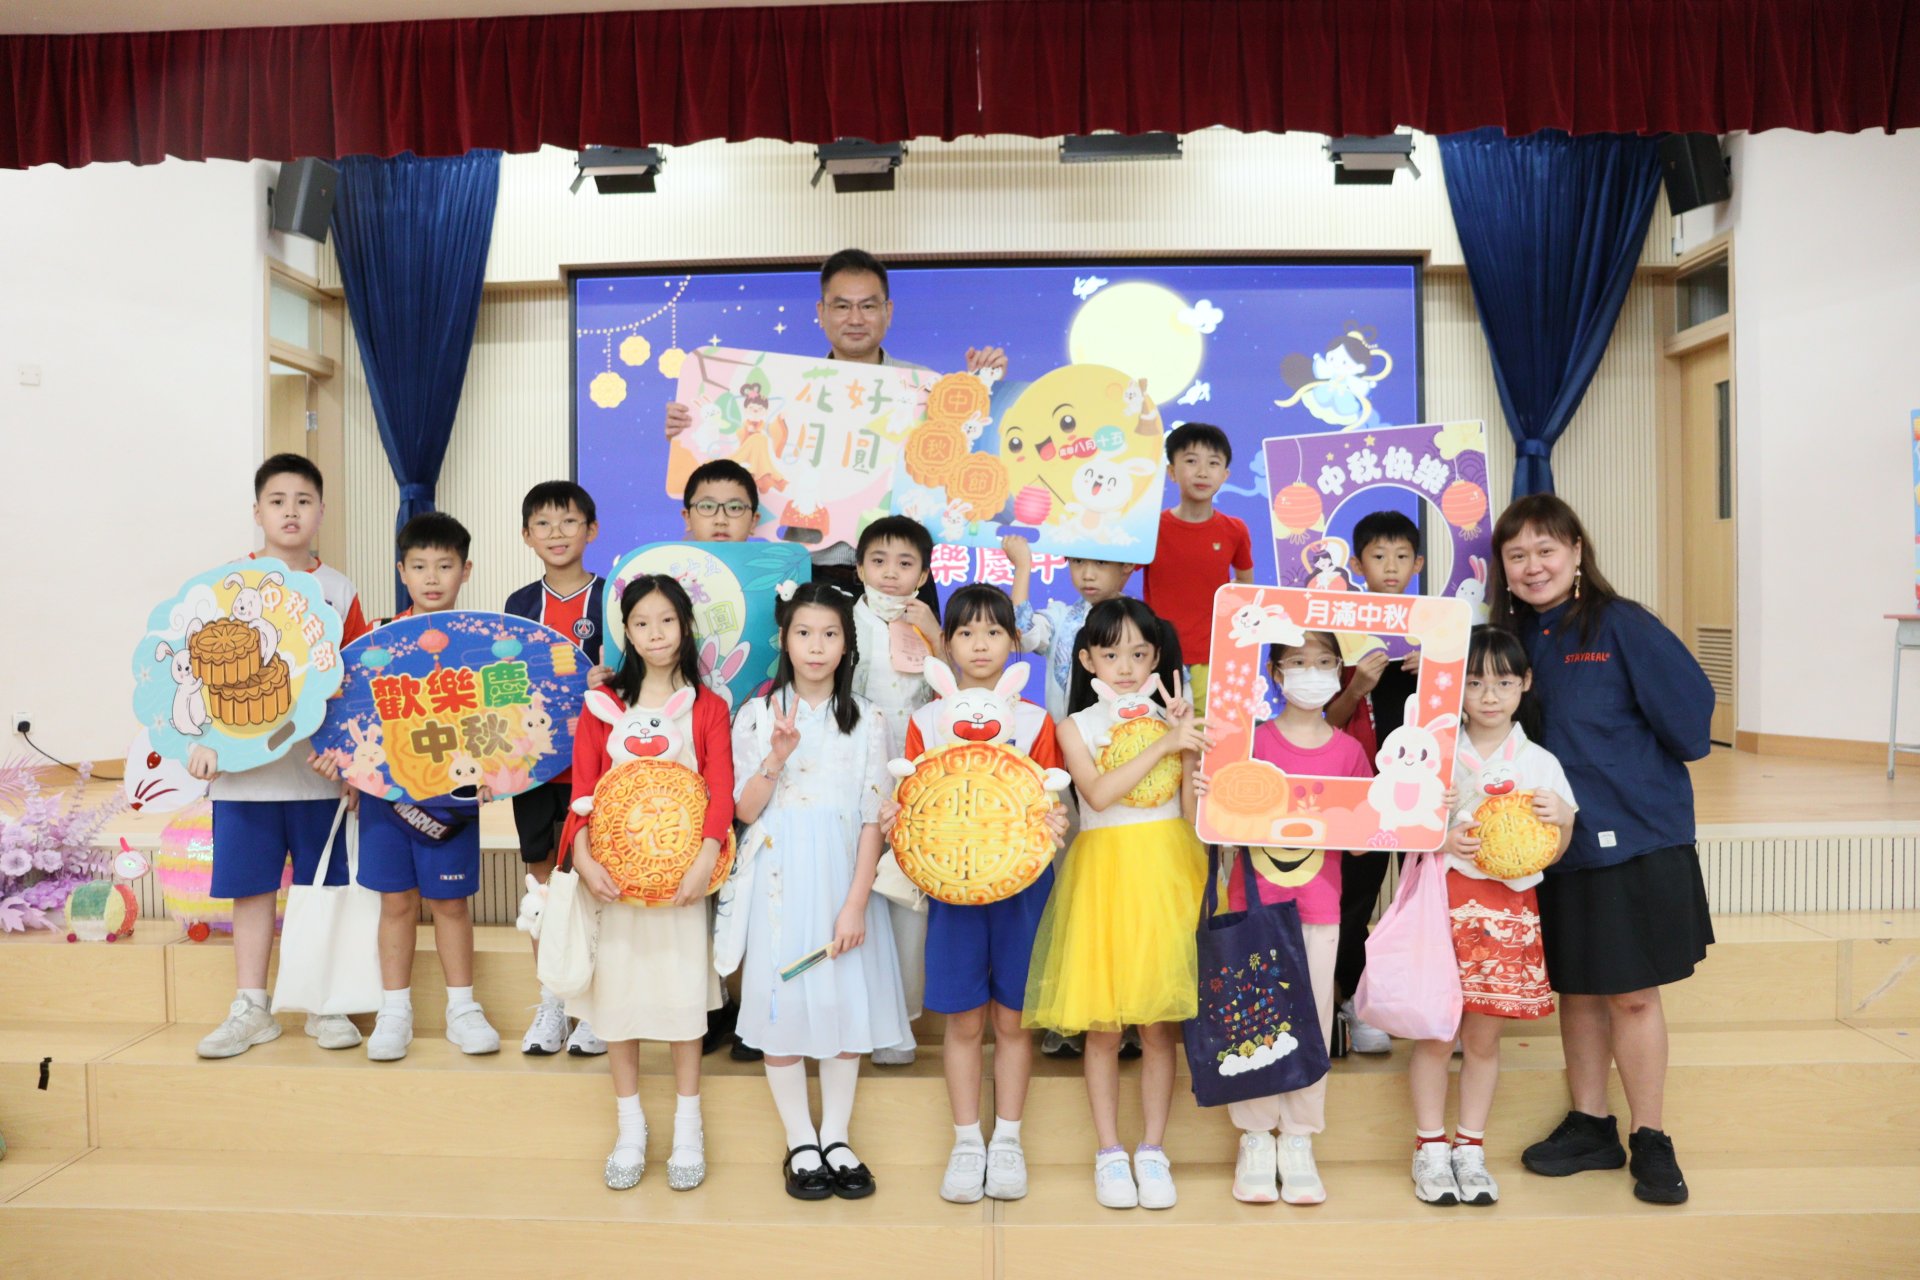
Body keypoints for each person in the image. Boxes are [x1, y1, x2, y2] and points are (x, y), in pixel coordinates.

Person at [1490, 494, 1714, 1206]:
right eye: (1517, 554)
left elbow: (1691, 727)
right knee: (1580, 988)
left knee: (1632, 995)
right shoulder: (1507, 640)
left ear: (1577, 552)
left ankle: (1651, 1136)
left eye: (1546, 550)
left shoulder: (1622, 624)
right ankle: (1591, 1125)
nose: (1533, 566)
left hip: (1634, 837)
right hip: (1551, 844)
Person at [663, 248, 1005, 605]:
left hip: (900, 578)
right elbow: (737, 460)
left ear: (888, 312)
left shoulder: (926, 391)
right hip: (809, 574)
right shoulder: (789, 387)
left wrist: (983, 390)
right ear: (821, 313)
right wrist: (689, 429)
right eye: (842, 306)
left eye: (868, 306)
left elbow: (967, 467)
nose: (855, 318)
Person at [1022, 598, 1208, 1211]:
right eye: (1110, 653)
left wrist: (1190, 748)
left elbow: (1190, 814)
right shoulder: (1074, 726)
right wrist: (1164, 743)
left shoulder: (1177, 719)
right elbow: (1098, 796)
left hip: (1169, 870)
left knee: (1159, 1027)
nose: (1125, 666)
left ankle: (1153, 1149)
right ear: (1087, 659)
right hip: (1104, 875)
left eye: (1138, 653)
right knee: (1102, 1028)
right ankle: (1109, 1152)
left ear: (1156, 658)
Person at [887, 586, 1070, 1204]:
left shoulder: (1036, 721)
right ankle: (967, 1142)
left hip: (1024, 889)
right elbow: (912, 803)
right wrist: (899, 819)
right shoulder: (926, 722)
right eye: (966, 633)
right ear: (946, 645)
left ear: (1014, 643)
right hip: (952, 892)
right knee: (963, 1019)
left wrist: (1055, 821)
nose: (980, 644)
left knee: (1013, 1020)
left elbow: (1049, 802)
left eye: (994, 632)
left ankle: (1008, 1140)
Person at [730, 581, 908, 1201]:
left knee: (840, 1004)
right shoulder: (757, 715)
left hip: (843, 874)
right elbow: (744, 810)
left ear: (846, 644)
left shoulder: (869, 719)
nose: (815, 646)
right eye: (804, 633)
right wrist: (776, 757)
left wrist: (856, 903)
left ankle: (836, 1136)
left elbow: (872, 817)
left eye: (830, 634)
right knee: (779, 1004)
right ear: (784, 639)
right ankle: (799, 1139)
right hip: (778, 877)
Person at [558, 575, 735, 1191]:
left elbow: (720, 788)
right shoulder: (602, 704)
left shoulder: (708, 707)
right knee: (619, 1004)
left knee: (684, 1003)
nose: (655, 634)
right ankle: (630, 1128)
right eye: (641, 623)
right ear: (626, 633)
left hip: (681, 883)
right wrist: (583, 856)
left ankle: (689, 1127)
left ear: (685, 626)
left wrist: (704, 859)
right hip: (614, 883)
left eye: (666, 621)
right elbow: (583, 790)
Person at [192, 454, 371, 1059]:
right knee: (251, 889)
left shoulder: (339, 589)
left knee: (324, 890)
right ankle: (251, 1007)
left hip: (319, 777)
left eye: (303, 501)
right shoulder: (224, 586)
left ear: (321, 512)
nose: (290, 512)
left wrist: (352, 764)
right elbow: (194, 677)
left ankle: (326, 1002)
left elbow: (357, 684)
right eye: (277, 501)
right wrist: (201, 744)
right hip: (242, 778)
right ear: (257, 512)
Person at [1197, 629, 1374, 1207]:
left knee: (1313, 1020)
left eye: (1323, 662)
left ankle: (1298, 1138)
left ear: (1340, 671)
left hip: (1318, 909)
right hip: (1254, 907)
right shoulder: (1248, 743)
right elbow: (1217, 822)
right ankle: (1255, 1137)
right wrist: (1206, 789)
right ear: (1276, 673)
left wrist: (1413, 803)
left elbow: (1365, 842)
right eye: (1298, 663)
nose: (1311, 673)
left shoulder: (1349, 752)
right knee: (1254, 1020)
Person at [314, 513, 500, 1062]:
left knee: (450, 903)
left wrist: (499, 771)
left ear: (466, 570)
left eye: (445, 565)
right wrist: (344, 765)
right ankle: (394, 1012)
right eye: (419, 566)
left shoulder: (483, 641)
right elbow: (347, 709)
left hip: (452, 799)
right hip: (384, 797)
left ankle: (462, 1009)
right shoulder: (377, 639)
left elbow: (502, 717)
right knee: (395, 902)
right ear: (402, 572)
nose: (432, 577)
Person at [1412, 625, 1576, 1207]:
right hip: (1443, 904)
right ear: (1455, 687)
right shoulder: (1433, 755)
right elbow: (1401, 832)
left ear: (1525, 684)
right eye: (1475, 682)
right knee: (1437, 1034)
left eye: (1503, 682)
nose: (1488, 695)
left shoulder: (1540, 762)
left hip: (1507, 909)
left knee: (1482, 1038)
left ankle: (1469, 1147)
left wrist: (1562, 820)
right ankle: (1430, 1147)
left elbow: (1556, 848)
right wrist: (1439, 836)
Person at [506, 480, 614, 1059]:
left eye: (569, 521)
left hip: (598, 765)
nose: (556, 533)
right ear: (526, 536)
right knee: (541, 884)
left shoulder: (613, 599)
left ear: (591, 530)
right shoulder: (518, 605)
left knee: (596, 880)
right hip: (533, 767)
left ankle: (594, 1006)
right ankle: (551, 1001)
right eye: (543, 524)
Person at [1324, 508, 1426, 1054]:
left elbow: (1463, 712)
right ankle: (1354, 1000)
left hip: (1424, 791)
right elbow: (1326, 722)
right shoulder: (1341, 631)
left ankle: (1427, 1000)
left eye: (1401, 556)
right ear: (1358, 565)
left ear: (1418, 564)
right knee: (1353, 900)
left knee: (1427, 898)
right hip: (1359, 790)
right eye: (1378, 556)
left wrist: (1437, 669)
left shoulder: (1437, 629)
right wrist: (1357, 685)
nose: (1390, 567)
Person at [676, 457, 767, 1063]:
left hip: (760, 754)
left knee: (755, 884)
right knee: (700, 882)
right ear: (687, 517)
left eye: (735, 508)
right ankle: (708, 1007)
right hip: (687, 756)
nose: (721, 519)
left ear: (754, 520)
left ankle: (754, 1008)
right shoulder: (665, 579)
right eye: (707, 507)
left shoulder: (776, 582)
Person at [849, 514, 942, 1065]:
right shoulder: (841, 619)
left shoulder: (930, 625)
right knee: (852, 894)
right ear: (859, 567)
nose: (890, 573)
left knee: (908, 902)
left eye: (905, 563)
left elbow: (959, 694)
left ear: (924, 574)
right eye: (879, 561)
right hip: (852, 778)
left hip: (916, 782)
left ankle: (899, 1025)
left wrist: (936, 635)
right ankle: (850, 1019)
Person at [1140, 423, 1254, 714]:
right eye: (1191, 461)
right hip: (1159, 653)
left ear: (1225, 475)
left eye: (1213, 463)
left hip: (1213, 654)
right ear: (1171, 471)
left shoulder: (1235, 530)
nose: (1202, 472)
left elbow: (1246, 587)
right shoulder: (1150, 527)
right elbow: (1120, 572)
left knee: (1209, 729)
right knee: (1160, 725)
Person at [1005, 536, 1138, 725]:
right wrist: (1022, 568)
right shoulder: (1059, 618)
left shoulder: (1141, 623)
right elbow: (1023, 636)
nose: (1087, 575)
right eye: (1078, 561)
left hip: (1129, 735)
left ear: (1127, 564)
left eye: (1101, 562)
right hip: (1066, 737)